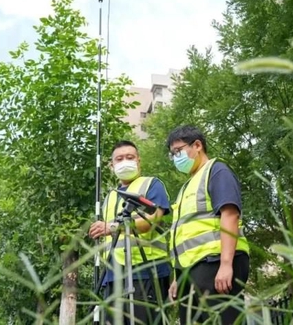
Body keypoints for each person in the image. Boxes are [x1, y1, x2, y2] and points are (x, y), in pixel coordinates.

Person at [166, 125, 250, 324]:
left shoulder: (216, 171)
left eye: (179, 150)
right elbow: (184, 236)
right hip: (191, 272)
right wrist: (179, 277)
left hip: (214, 265)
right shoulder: (187, 186)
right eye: (172, 154)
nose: (176, 157)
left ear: (197, 145)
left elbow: (229, 215)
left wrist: (226, 264)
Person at [89, 140, 171, 325]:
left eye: (130, 157)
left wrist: (111, 227)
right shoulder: (110, 197)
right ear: (112, 165)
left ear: (139, 161)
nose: (125, 161)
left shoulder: (151, 185)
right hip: (112, 275)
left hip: (145, 272)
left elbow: (152, 221)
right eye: (119, 159)